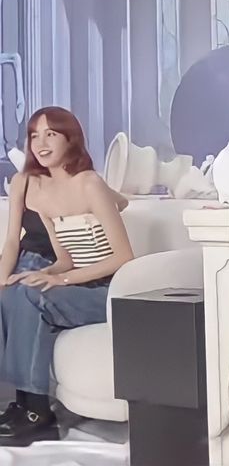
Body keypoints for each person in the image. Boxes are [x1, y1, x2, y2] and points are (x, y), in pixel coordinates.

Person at [0, 106, 134, 445]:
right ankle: (25, 405)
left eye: (51, 134)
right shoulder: (41, 193)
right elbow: (64, 258)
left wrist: (60, 281)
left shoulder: (90, 184)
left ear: (69, 139)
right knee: (22, 290)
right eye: (34, 136)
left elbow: (124, 258)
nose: (41, 143)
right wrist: (44, 273)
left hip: (110, 290)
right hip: (80, 283)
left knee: (34, 296)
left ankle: (37, 412)